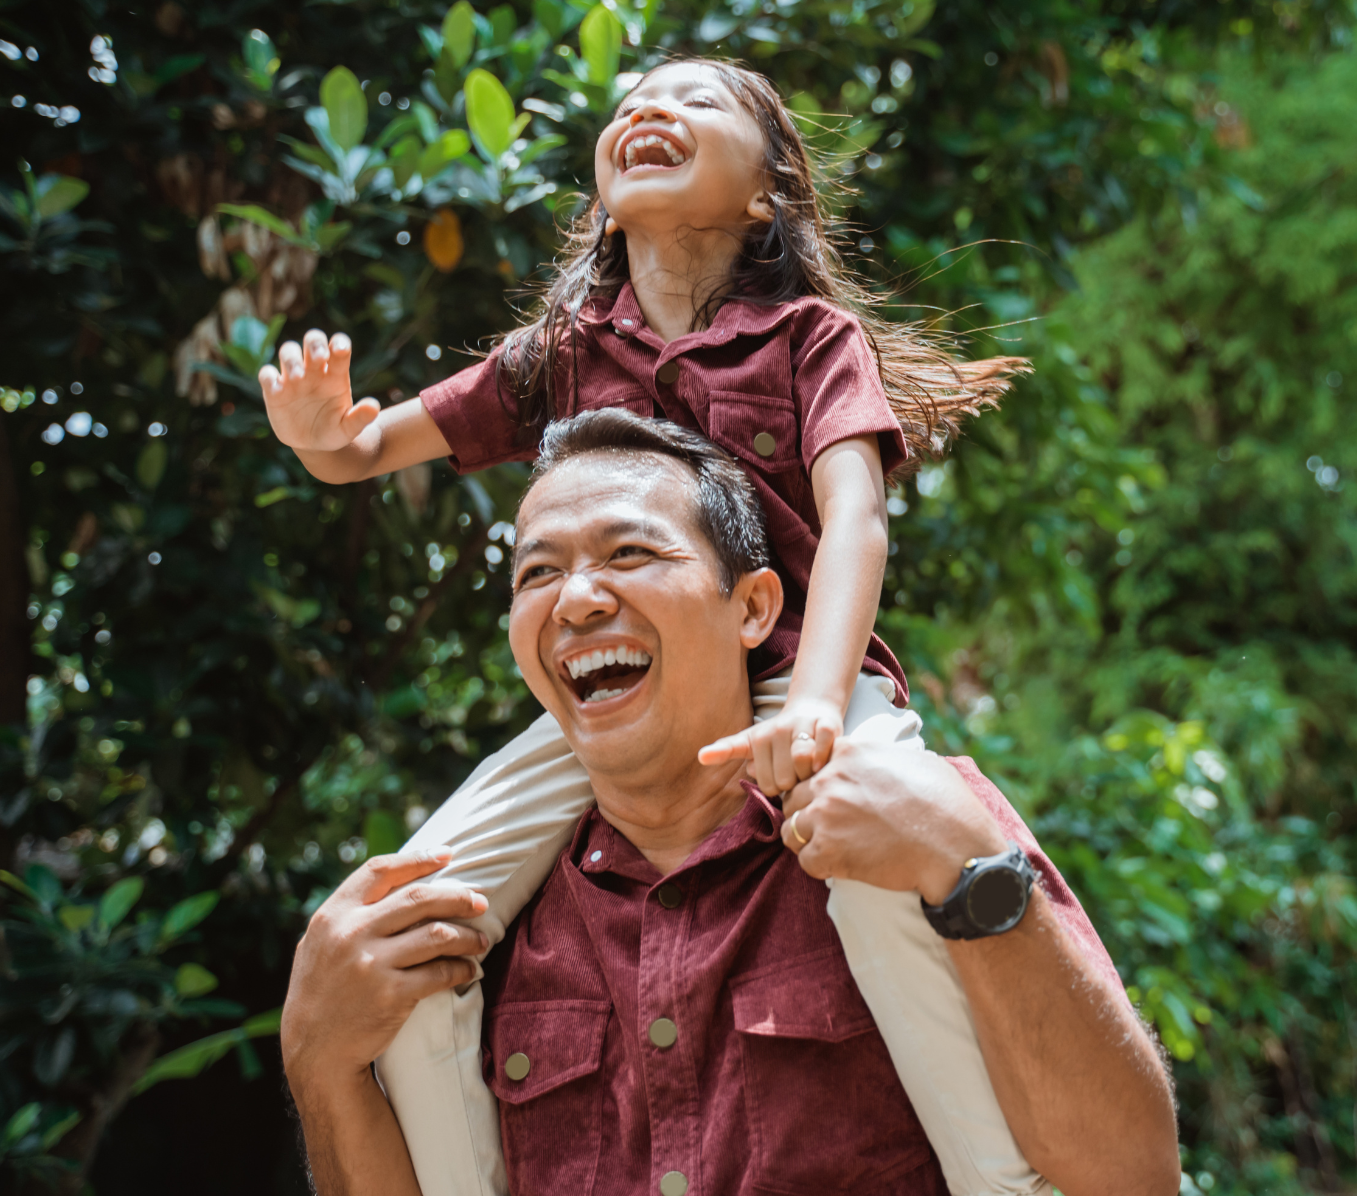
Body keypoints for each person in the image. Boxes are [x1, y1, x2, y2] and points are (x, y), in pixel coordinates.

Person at [261, 59, 1035, 1194]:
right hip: (620, 696)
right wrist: (316, 430)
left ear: (765, 196)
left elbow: (857, 519)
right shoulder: (564, 352)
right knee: (414, 915)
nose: (648, 111)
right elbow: (364, 450)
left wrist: (820, 706)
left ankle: (1006, 1181)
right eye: (626, 105)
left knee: (890, 878)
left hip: (799, 675)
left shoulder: (810, 338)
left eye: (696, 101)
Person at [280, 411, 1181, 1196]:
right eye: (536, 574)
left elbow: (1130, 1177)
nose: (576, 601)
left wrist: (971, 867)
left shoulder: (916, 828)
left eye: (629, 553)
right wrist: (320, 1062)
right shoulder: (480, 926)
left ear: (752, 609)